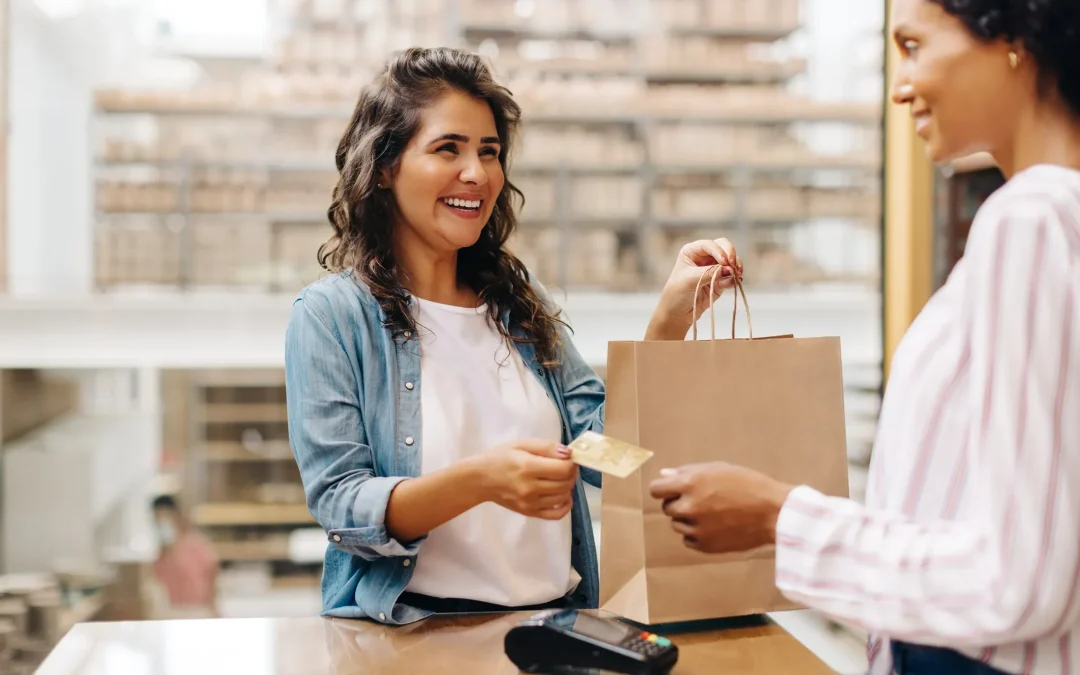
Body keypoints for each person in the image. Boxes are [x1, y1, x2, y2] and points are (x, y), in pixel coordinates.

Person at [648, 1, 1080, 674]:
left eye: (913, 46)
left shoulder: (1029, 218)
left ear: (1013, 38)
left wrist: (777, 515)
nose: (899, 84)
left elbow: (1014, 580)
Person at [284, 46, 743, 626]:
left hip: (554, 631)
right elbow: (341, 506)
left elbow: (608, 456)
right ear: (385, 166)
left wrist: (671, 320)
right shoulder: (331, 316)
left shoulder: (518, 304)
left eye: (490, 152)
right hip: (414, 635)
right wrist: (481, 480)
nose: (476, 173)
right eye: (448, 148)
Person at [151, 494, 220, 618]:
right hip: (170, 614)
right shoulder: (155, 554)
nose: (162, 522)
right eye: (158, 518)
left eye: (166, 517)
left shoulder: (198, 546)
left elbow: (212, 579)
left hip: (198, 612)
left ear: (177, 517)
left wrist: (214, 611)